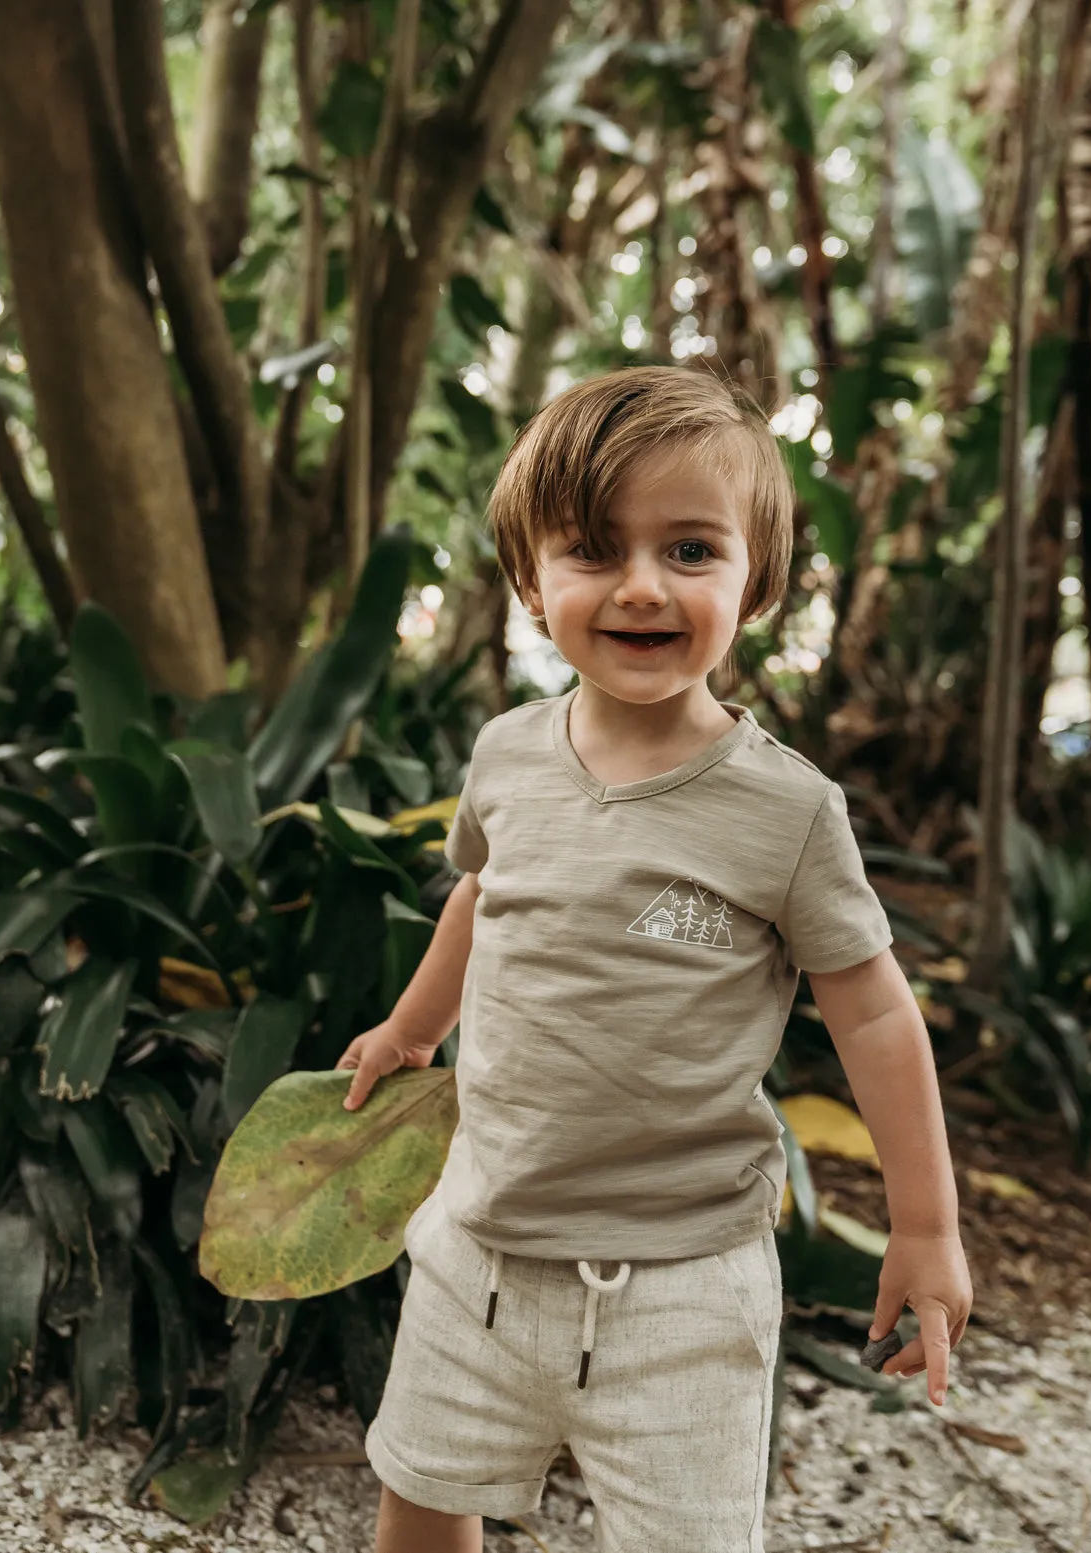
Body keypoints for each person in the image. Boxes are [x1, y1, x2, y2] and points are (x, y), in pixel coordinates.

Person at [336, 365, 973, 1553]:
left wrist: (925, 1222)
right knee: (422, 1491)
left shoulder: (787, 813)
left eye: (690, 549)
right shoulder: (508, 755)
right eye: (591, 548)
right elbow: (483, 895)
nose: (641, 586)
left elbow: (877, 1015)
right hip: (480, 1243)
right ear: (532, 578)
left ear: (756, 578)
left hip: (685, 1283)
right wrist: (415, 1024)